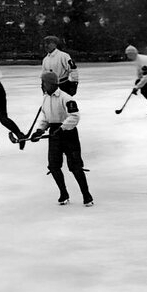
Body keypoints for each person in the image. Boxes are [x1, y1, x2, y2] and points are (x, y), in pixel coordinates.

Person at [31, 71, 93, 206]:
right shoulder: (45, 98)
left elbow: (74, 116)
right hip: (54, 133)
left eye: (43, 83)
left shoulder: (66, 98)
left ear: (50, 84)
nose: (41, 85)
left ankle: (86, 195)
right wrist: (39, 130)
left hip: (69, 134)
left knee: (75, 167)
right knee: (53, 166)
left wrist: (62, 128)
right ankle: (63, 193)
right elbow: (46, 118)